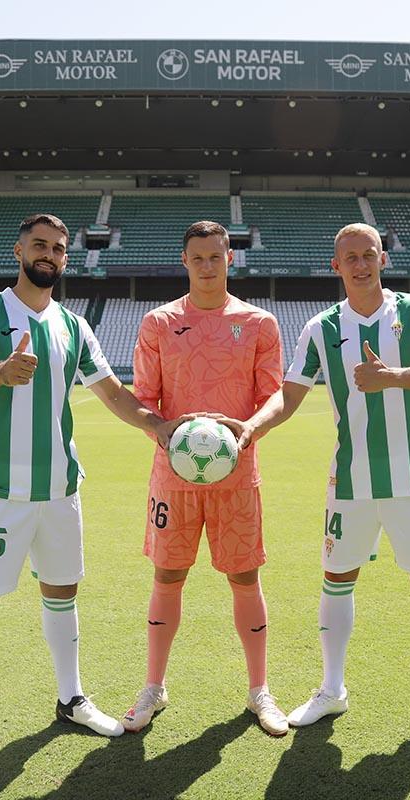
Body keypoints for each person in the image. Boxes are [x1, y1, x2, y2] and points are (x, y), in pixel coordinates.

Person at [0, 213, 183, 780]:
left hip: (59, 491)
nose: (48, 254)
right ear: (18, 251)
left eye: (57, 248)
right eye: (39, 245)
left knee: (62, 593)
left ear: (65, 259)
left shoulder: (74, 326)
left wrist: (161, 427)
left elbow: (113, 393)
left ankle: (71, 698)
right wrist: (0, 373)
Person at [237, 222, 410, 750]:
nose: (361, 264)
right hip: (350, 481)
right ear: (336, 266)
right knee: (336, 579)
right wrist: (252, 427)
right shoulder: (321, 327)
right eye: (350, 257)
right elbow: (289, 394)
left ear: (382, 259)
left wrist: (393, 376)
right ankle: (331, 691)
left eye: (368, 254)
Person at [121, 220, 289, 736]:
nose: (207, 266)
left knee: (245, 578)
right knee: (167, 576)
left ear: (230, 259)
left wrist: (250, 429)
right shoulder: (159, 322)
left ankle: (259, 691)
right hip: (173, 479)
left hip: (237, 475)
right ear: (185, 261)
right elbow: (142, 398)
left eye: (216, 256)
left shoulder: (259, 323)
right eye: (198, 258)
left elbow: (275, 396)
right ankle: (153, 686)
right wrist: (160, 427)